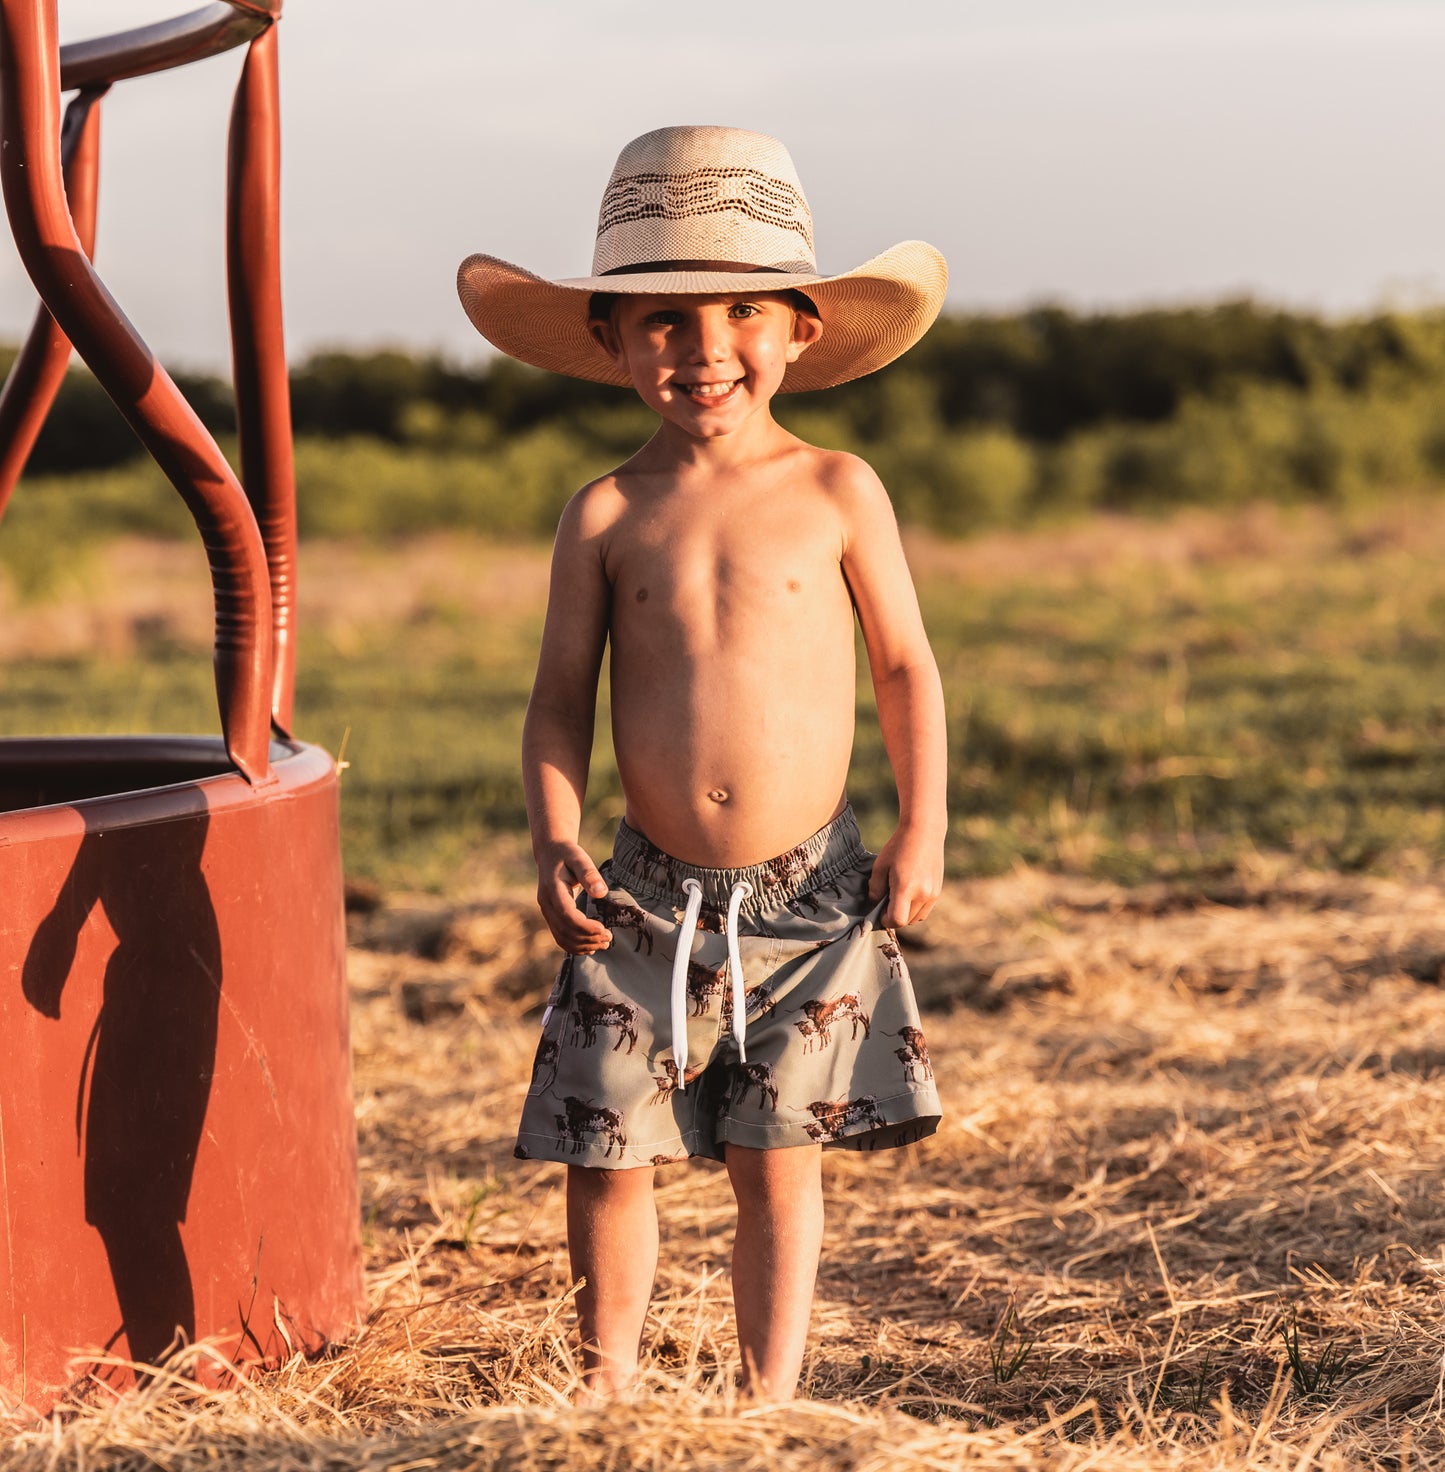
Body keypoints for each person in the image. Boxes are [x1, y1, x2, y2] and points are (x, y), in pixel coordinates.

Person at [456, 125, 948, 1402]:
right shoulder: (605, 512)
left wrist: (922, 825)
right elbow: (557, 703)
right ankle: (605, 1388)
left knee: (774, 1155)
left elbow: (904, 666)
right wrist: (553, 840)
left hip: (809, 896)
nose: (704, 346)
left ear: (798, 330)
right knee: (606, 1148)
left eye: (740, 312)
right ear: (614, 340)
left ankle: (765, 1400)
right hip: (638, 897)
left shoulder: (838, 489)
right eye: (663, 319)